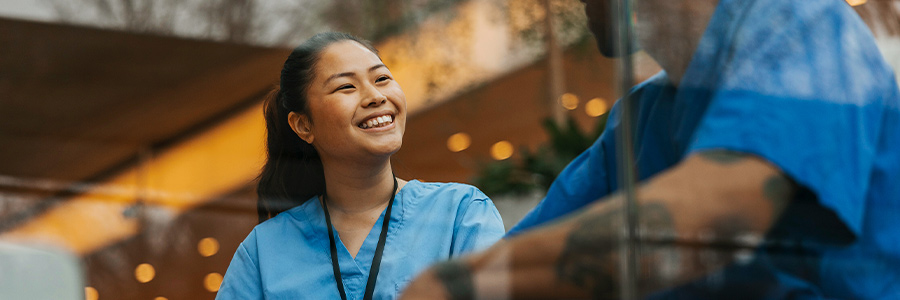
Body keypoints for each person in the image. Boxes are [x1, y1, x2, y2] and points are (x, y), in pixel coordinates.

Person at [400, 0, 900, 299]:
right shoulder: (640, 118)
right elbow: (537, 258)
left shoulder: (804, 23)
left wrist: (455, 284)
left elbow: (718, 216)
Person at [215, 32, 505, 300]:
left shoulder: (461, 215)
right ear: (303, 125)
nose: (377, 96)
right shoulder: (263, 253)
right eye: (346, 86)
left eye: (381, 79)